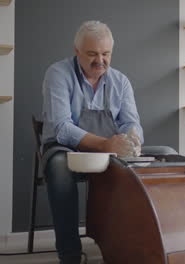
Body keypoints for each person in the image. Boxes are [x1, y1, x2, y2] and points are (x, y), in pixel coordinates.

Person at [41, 21, 176, 264]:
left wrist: (132, 140)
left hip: (109, 152)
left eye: (106, 54)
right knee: (59, 167)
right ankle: (69, 254)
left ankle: (147, 243)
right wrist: (105, 144)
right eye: (92, 54)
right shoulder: (58, 74)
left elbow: (131, 123)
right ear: (77, 51)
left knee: (167, 153)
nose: (100, 60)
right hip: (66, 149)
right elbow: (62, 128)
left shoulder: (120, 81)